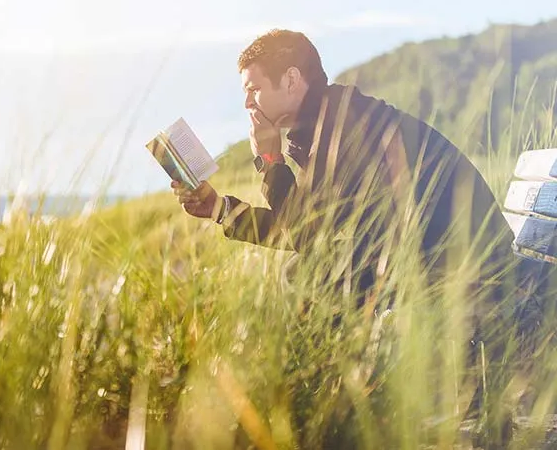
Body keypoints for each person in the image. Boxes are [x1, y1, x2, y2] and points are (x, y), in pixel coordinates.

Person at [171, 28, 530, 445]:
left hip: (466, 272)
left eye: (253, 89)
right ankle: (341, 410)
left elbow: (306, 235)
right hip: (434, 262)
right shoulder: (325, 124)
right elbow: (308, 229)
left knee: (307, 275)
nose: (247, 103)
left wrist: (268, 159)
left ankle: (345, 416)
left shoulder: (343, 126)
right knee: (306, 272)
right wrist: (218, 208)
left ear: (290, 80)